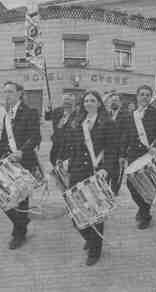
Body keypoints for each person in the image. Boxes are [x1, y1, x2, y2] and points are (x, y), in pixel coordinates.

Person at [57, 90, 118, 266]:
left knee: (96, 214)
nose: (88, 103)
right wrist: (66, 161)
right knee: (76, 212)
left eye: (92, 100)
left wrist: (106, 169)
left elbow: (113, 149)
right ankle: (90, 238)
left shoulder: (108, 123)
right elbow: (71, 145)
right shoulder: (78, 122)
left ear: (99, 103)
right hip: (77, 171)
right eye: (85, 101)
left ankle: (95, 249)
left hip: (97, 172)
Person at [0, 81, 41, 250]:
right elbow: (3, 141)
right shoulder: (6, 115)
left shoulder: (30, 112)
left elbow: (36, 137)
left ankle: (18, 234)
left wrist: (22, 151)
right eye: (5, 92)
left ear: (20, 93)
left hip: (24, 161)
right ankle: (22, 222)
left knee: (21, 199)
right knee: (3, 198)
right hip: (7, 163)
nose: (7, 95)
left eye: (11, 92)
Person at [120, 85, 156, 230]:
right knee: (131, 185)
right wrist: (122, 154)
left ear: (151, 97)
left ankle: (145, 213)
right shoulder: (130, 115)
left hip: (150, 155)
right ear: (137, 96)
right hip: (134, 155)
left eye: (147, 94)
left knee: (148, 183)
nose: (144, 97)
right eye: (142, 94)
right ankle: (142, 207)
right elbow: (125, 136)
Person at [107, 93, 130, 194]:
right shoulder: (106, 115)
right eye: (112, 100)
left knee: (116, 174)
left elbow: (125, 136)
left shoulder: (126, 115)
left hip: (118, 151)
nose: (113, 102)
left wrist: (122, 154)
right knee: (105, 173)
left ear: (120, 103)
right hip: (106, 151)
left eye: (116, 100)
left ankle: (114, 192)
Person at [44, 93, 76, 166]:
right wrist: (48, 109)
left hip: (68, 145)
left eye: (69, 102)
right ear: (62, 102)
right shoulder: (57, 111)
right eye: (65, 101)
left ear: (73, 103)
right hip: (56, 143)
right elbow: (48, 118)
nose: (67, 104)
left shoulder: (76, 114)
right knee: (53, 160)